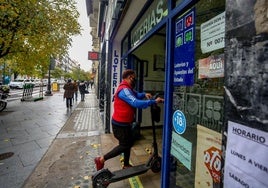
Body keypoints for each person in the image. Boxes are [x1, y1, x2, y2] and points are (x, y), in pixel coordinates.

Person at [94, 69, 164, 170]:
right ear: (130, 77)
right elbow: (135, 102)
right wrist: (153, 101)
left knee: (128, 143)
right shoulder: (124, 90)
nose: (135, 80)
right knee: (124, 145)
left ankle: (126, 164)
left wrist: (144, 94)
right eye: (134, 78)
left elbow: (136, 95)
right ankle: (101, 160)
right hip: (119, 125)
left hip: (125, 123)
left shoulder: (128, 88)